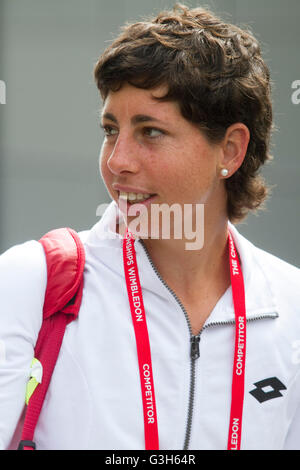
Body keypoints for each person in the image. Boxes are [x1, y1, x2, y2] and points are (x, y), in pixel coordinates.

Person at [0, 3, 299, 451]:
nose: (117, 160)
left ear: (231, 150)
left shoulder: (291, 307)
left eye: (150, 132)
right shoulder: (32, 282)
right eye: (109, 129)